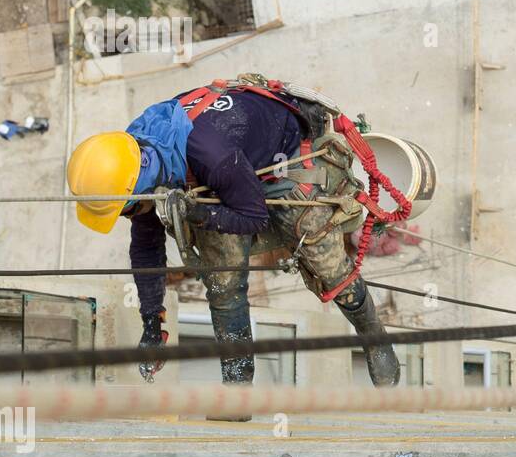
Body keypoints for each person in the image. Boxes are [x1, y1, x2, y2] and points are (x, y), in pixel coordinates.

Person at [66, 77, 401, 393]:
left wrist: (199, 213)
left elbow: (253, 217)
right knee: (222, 280)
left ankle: (373, 334)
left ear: (143, 188)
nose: (128, 216)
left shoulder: (209, 153)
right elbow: (145, 244)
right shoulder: (130, 156)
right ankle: (238, 387)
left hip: (283, 157)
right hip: (224, 168)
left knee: (324, 261)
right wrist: (152, 320)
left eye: (125, 209)